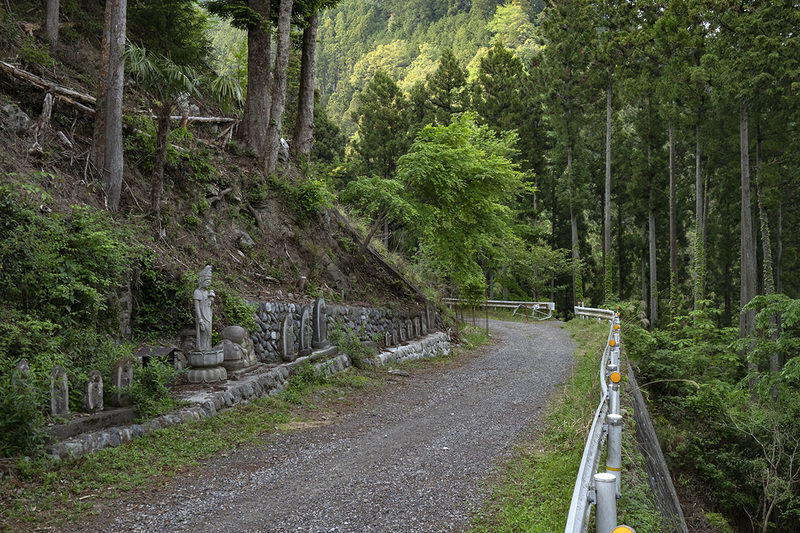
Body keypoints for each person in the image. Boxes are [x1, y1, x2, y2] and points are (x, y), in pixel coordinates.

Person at [194, 265, 215, 351]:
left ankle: (207, 347)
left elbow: (209, 304)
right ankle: (202, 348)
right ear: (201, 282)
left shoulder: (207, 292)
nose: (208, 284)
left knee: (208, 332)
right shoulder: (197, 292)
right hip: (202, 315)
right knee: (203, 331)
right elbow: (197, 307)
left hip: (208, 314)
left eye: (209, 282)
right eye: (207, 282)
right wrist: (200, 318)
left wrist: (211, 301)